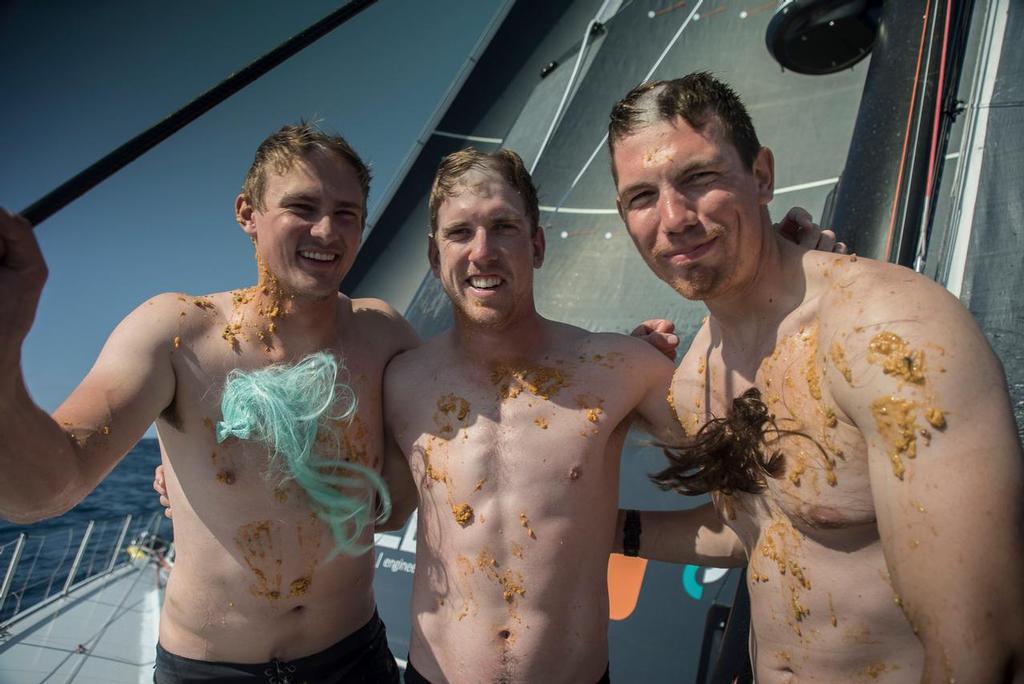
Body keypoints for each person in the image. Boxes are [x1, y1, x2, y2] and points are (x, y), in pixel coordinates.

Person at [608, 72, 1024, 683]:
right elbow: (760, 524)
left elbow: (985, 651)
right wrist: (609, 531)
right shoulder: (698, 369)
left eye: (699, 178)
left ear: (763, 176)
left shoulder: (884, 334)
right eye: (642, 197)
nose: (673, 219)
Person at [380, 148, 838, 684]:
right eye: (460, 233)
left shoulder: (619, 368)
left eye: (504, 226)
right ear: (436, 258)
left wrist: (783, 293)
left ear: (538, 245)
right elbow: (381, 513)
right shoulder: (401, 383)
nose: (483, 251)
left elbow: (767, 486)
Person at [0, 123, 418, 683]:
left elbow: (403, 497)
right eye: (302, 206)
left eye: (348, 213)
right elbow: (43, 493)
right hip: (209, 669)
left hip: (352, 655)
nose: (327, 230)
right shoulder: (176, 333)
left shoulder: (384, 334)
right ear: (248, 213)